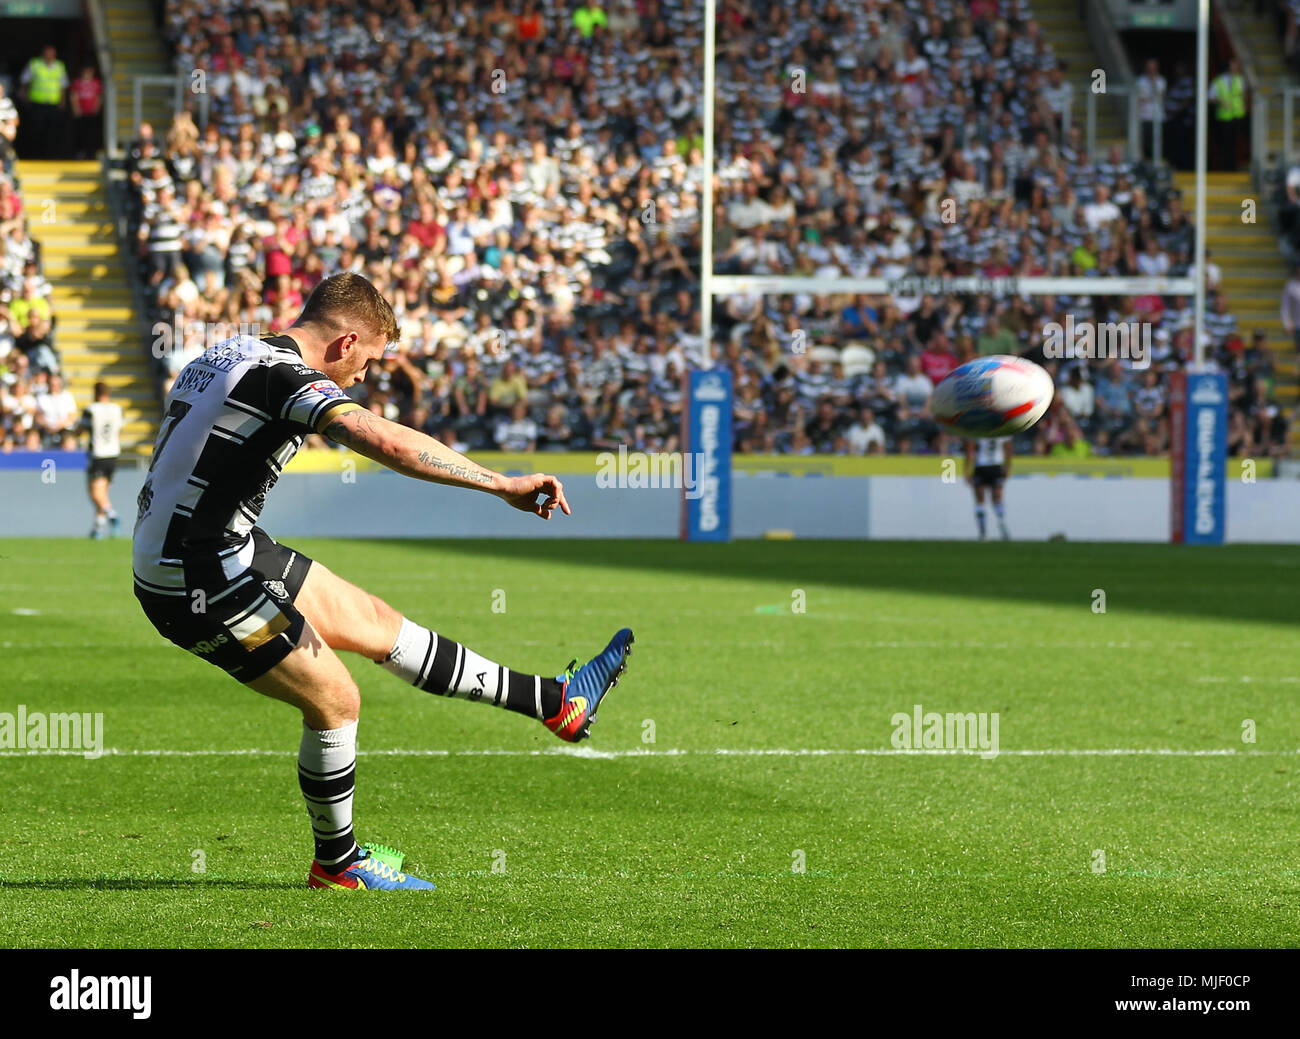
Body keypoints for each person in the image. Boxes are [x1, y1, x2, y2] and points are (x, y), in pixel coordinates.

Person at [132, 273, 633, 891]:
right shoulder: (285, 379)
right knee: (336, 702)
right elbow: (382, 438)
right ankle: (338, 867)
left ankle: (559, 705)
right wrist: (499, 483)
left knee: (374, 623)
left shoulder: (229, 352)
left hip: (217, 547)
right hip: (193, 577)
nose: (364, 376)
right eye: (368, 360)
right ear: (344, 343)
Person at [81, 380, 123, 538]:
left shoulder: (91, 409)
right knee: (103, 492)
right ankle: (98, 528)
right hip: (113, 454)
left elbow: (81, 428)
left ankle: (113, 515)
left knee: (95, 494)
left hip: (98, 454)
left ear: (95, 393)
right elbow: (119, 430)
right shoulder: (117, 409)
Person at [20, 45, 68, 159]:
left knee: (52, 132)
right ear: (43, 54)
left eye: (52, 53)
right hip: (37, 104)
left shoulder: (59, 66)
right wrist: (26, 98)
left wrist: (63, 101)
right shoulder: (35, 64)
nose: (49, 56)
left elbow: (63, 86)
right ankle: (35, 155)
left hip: (53, 104)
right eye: (47, 53)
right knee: (36, 131)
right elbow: (24, 82)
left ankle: (50, 156)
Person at [965, 435, 1012, 540]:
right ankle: (1002, 523)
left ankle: (983, 532)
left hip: (981, 466)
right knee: (997, 499)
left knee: (980, 500)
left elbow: (970, 450)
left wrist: (967, 470)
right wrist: (1008, 467)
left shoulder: (976, 430)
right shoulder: (1002, 428)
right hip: (996, 466)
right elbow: (1008, 449)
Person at [1209, 59, 1247, 171]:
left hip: (1238, 115)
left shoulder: (1240, 79)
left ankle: (1234, 167)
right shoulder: (1218, 81)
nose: (1236, 68)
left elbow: (1243, 94)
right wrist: (1220, 101)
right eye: (1234, 66)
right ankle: (1225, 167)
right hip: (1224, 117)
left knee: (1236, 143)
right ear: (1228, 68)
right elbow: (1210, 97)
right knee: (1225, 144)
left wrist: (1244, 105)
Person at [69, 65, 102, 159]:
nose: (87, 73)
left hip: (91, 113)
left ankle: (91, 153)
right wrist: (76, 108)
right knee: (80, 133)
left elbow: (98, 97)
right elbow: (73, 96)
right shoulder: (77, 83)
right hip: (81, 113)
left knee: (91, 134)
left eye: (89, 71)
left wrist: (96, 108)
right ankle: (79, 152)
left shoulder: (96, 83)